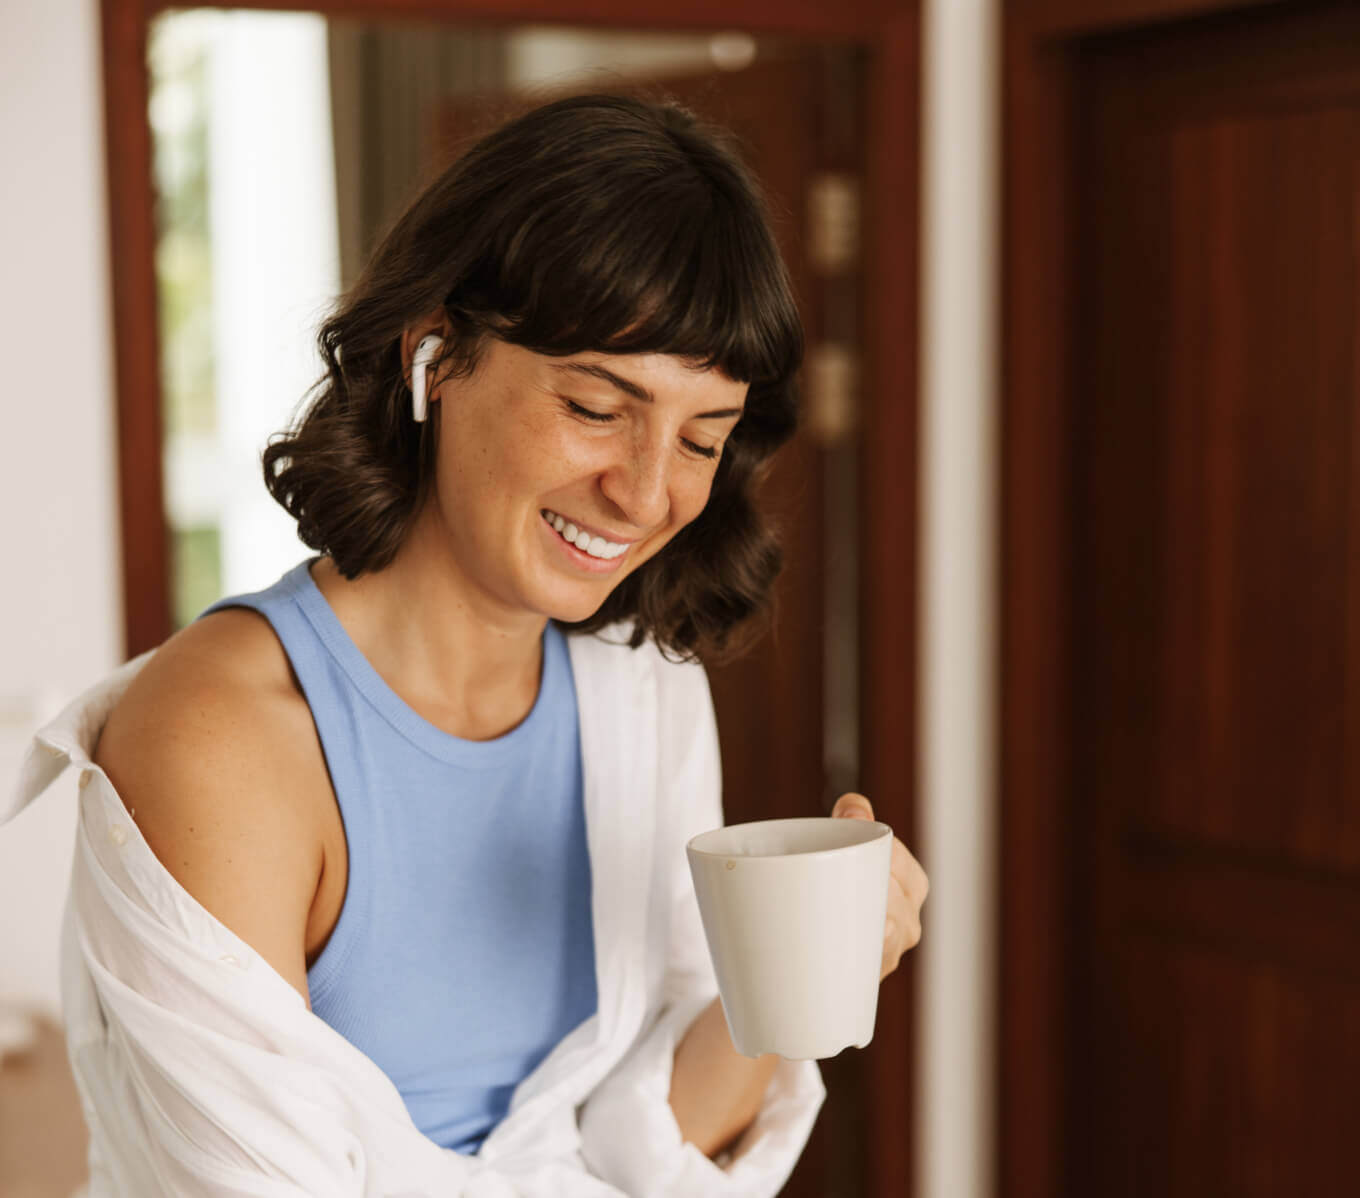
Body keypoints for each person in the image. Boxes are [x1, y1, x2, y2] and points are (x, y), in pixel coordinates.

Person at [7, 93, 928, 1196]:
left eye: (700, 438)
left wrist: (784, 992)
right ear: (435, 357)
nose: (644, 492)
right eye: (596, 407)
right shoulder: (226, 733)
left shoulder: (638, 689)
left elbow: (648, 1146)